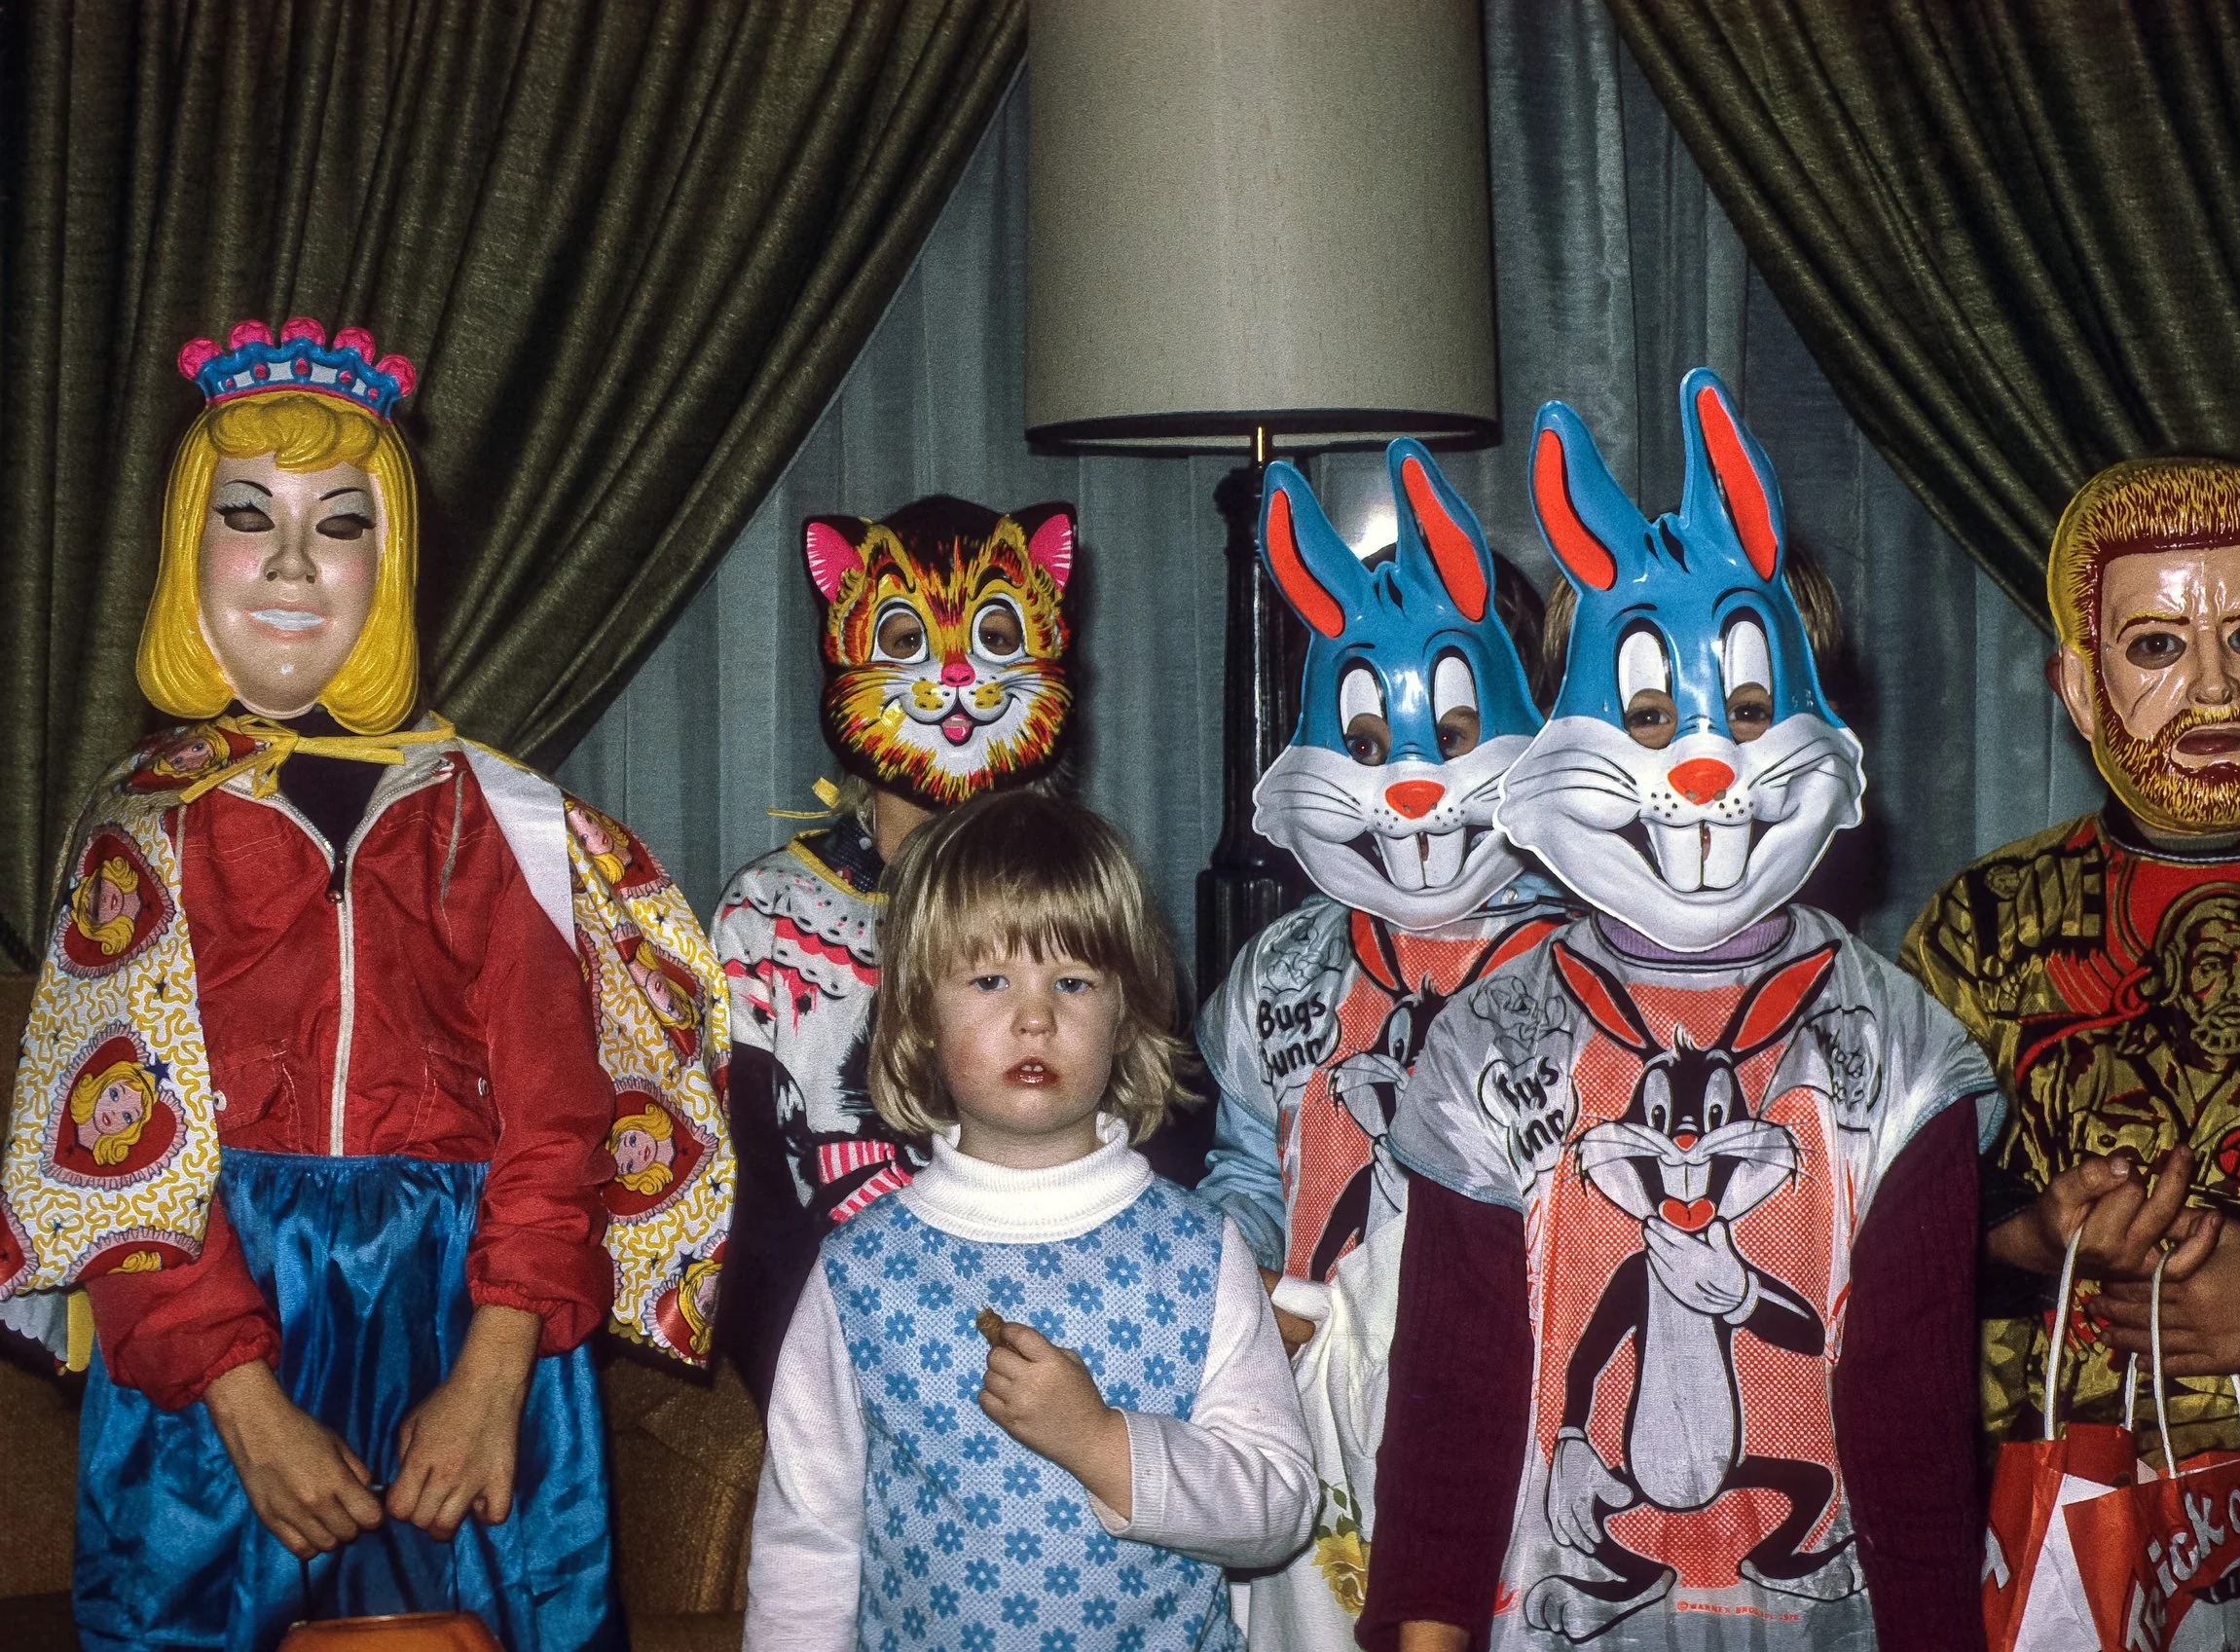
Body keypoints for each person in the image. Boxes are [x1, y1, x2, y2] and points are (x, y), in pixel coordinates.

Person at [0, 318, 730, 1651]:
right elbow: (109, 1166)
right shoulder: (139, 830)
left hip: (469, 1325)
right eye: (247, 517)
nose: (291, 561)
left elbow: (560, 1116)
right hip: (220, 1342)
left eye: (338, 524)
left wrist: (497, 1369)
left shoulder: (495, 817)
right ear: (187, 551)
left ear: (387, 563)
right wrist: (242, 1404)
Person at [1359, 374, 2001, 1652]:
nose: (1698, 761)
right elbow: (1448, 1402)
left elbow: (1919, 1426)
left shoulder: (1903, 1059)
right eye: (1646, 714)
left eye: (1748, 709)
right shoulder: (1485, 1051)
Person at [1902, 456, 2240, 1651]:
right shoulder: (1981, 929)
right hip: (2042, 1492)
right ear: (2080, 690)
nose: (2212, 687)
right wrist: (2029, 1238)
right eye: (2153, 646)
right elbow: (1872, 1217)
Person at [743, 791, 1318, 1650]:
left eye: (1073, 981)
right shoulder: (860, 1272)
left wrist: (1101, 1442)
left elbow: (1279, 1504)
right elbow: (807, 1545)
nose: (1036, 1015)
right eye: (989, 980)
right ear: (918, 1019)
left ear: (1125, 1018)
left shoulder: (1200, 1254)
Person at [1195, 439, 1572, 1642]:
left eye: (1455, 731)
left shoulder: (1584, 971)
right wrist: (1235, 1283)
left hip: (1512, 1401)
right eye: (1367, 745)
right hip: (1316, 1394)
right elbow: (1248, 1169)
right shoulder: (1283, 972)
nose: (1411, 776)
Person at [714, 494, 1078, 1411]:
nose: (953, 674)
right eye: (907, 640)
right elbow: (748, 1199)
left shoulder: (1081, 900)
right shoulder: (769, 915)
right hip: (831, 1360)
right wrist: (815, 1393)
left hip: (1061, 1362)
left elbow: (1148, 1149)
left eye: (994, 636)